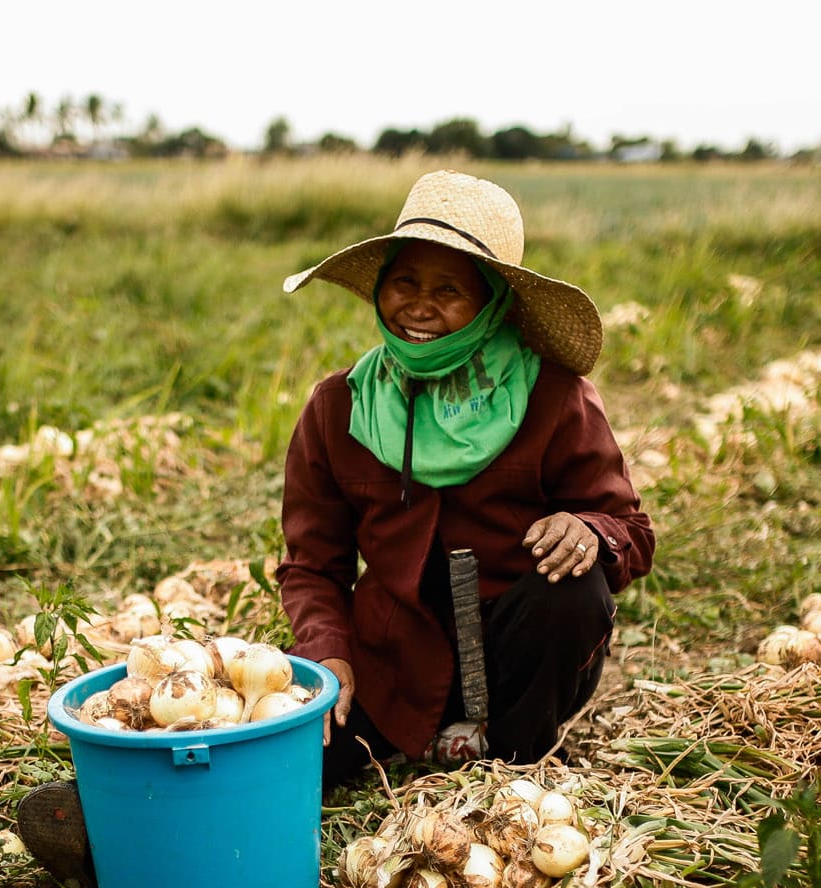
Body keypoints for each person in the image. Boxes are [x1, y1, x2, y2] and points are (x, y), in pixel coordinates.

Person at [278, 169, 654, 787]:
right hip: (392, 659)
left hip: (520, 661)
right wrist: (328, 652)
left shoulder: (553, 397)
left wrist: (589, 529)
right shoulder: (340, 406)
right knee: (290, 758)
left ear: (492, 304)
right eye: (403, 282)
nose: (418, 307)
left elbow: (631, 531)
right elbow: (313, 564)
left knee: (572, 589)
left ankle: (512, 762)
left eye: (448, 289)